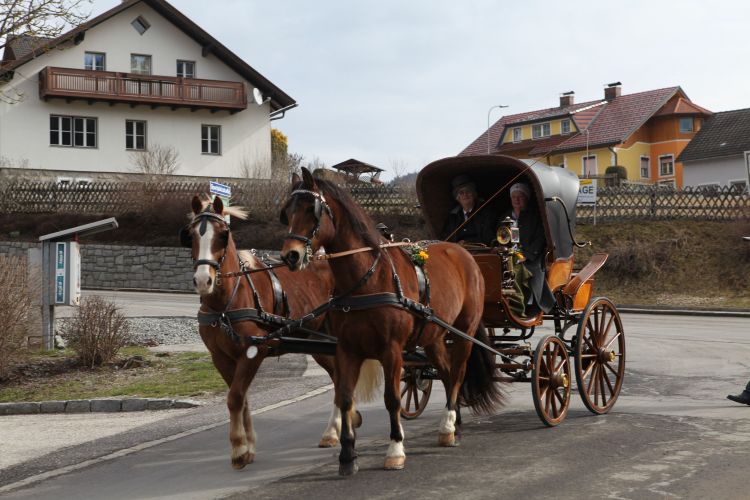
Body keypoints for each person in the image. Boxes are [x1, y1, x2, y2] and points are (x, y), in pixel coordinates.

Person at [502, 182, 555, 315]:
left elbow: (540, 238)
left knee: (518, 270)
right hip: (508, 255)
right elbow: (499, 235)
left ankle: (520, 305)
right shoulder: (505, 216)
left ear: (527, 198)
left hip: (530, 257)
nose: (517, 200)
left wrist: (527, 255)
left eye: (521, 197)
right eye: (514, 197)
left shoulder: (534, 216)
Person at [440, 174, 496, 245]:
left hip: (480, 251)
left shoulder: (486, 212)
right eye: (461, 193)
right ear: (458, 197)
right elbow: (445, 239)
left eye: (468, 191)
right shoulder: (452, 217)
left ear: (474, 194)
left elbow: (489, 236)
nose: (465, 195)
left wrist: (469, 243)